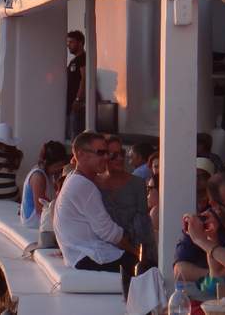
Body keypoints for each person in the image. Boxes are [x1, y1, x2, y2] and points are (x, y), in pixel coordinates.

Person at [53, 132, 138, 274]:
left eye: (107, 153)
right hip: (90, 257)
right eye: (100, 153)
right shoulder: (83, 185)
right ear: (80, 155)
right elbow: (109, 233)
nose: (106, 157)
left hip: (77, 255)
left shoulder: (72, 178)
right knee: (152, 268)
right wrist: (137, 252)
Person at [183, 173, 225, 295]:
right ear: (215, 205)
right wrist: (211, 237)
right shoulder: (203, 222)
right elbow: (179, 270)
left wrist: (202, 241)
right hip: (211, 296)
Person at [96, 135, 156, 265]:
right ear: (104, 156)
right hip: (101, 250)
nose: (120, 158)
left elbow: (143, 225)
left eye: (122, 153)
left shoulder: (137, 183)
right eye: (114, 155)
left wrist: (142, 255)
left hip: (131, 250)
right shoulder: (95, 183)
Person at [20, 141, 68, 228]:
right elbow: (40, 208)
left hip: (41, 217)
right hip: (34, 221)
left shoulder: (48, 174)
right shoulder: (38, 177)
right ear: (47, 163)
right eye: (57, 166)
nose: (59, 169)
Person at [65, 30, 86, 140]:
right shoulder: (74, 60)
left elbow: (85, 79)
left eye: (71, 42)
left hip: (77, 105)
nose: (69, 45)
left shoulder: (83, 58)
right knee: (69, 136)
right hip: (69, 104)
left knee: (76, 138)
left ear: (80, 42)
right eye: (67, 43)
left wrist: (78, 99)